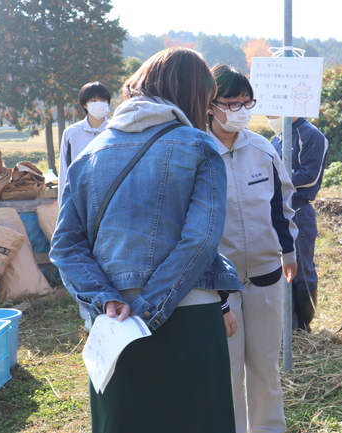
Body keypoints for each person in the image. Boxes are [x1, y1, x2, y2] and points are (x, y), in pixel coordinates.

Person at [49, 47, 241, 433]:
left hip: (115, 326)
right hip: (187, 315)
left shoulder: (89, 154)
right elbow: (201, 240)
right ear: (195, 94)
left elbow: (65, 247)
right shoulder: (199, 145)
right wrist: (150, 309)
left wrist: (108, 300)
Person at [207, 64, 298, 433]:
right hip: (218, 283)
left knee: (265, 366)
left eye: (248, 103)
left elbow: (281, 205)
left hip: (266, 273)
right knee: (226, 369)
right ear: (210, 104)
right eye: (232, 103)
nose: (241, 110)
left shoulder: (262, 148)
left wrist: (289, 251)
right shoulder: (197, 150)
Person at [57, 81, 112, 330]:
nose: (99, 104)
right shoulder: (72, 134)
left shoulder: (117, 129)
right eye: (94, 100)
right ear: (84, 104)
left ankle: (110, 307)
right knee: (83, 257)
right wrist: (63, 209)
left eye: (104, 99)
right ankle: (88, 312)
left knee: (108, 255)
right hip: (80, 204)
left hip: (111, 203)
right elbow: (65, 174)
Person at [268, 116, 328, 332]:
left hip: (299, 208)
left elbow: (310, 175)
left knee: (301, 267)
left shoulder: (310, 134)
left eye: (273, 114)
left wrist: (273, 180)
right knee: (279, 264)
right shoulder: (277, 137)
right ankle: (286, 323)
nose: (269, 118)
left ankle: (303, 326)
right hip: (274, 209)